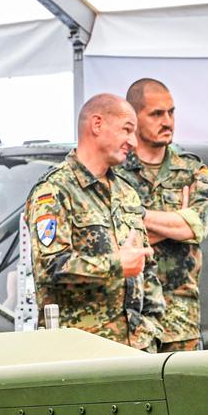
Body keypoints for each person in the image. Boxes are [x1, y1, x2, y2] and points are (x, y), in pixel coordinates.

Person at [24, 94, 161, 349]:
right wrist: (116, 264)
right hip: (82, 350)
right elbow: (53, 267)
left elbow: (146, 266)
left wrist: (153, 326)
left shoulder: (126, 192)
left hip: (138, 347)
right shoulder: (55, 190)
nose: (133, 141)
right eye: (127, 130)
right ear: (97, 125)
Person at [116, 78, 208, 352]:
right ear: (134, 118)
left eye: (171, 112)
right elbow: (112, 239)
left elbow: (196, 227)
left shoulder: (191, 170)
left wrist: (134, 217)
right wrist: (174, 219)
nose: (167, 121)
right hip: (130, 324)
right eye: (156, 114)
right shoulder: (115, 172)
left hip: (180, 323)